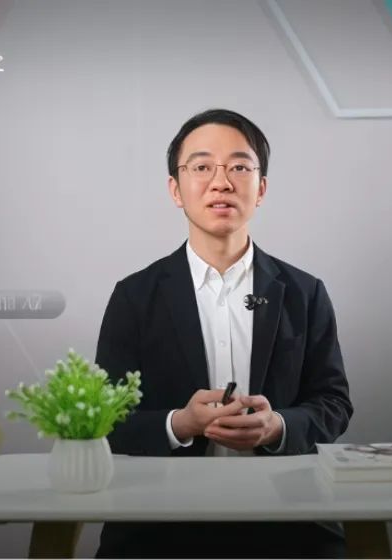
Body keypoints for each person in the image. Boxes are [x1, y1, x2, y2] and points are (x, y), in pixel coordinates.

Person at [95, 109, 354, 558]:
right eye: (201, 167)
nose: (221, 182)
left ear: (261, 188)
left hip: (286, 522)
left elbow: (333, 403)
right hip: (160, 523)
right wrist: (181, 424)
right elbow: (105, 418)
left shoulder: (304, 293)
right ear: (176, 189)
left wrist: (276, 427)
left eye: (239, 167)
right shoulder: (134, 296)